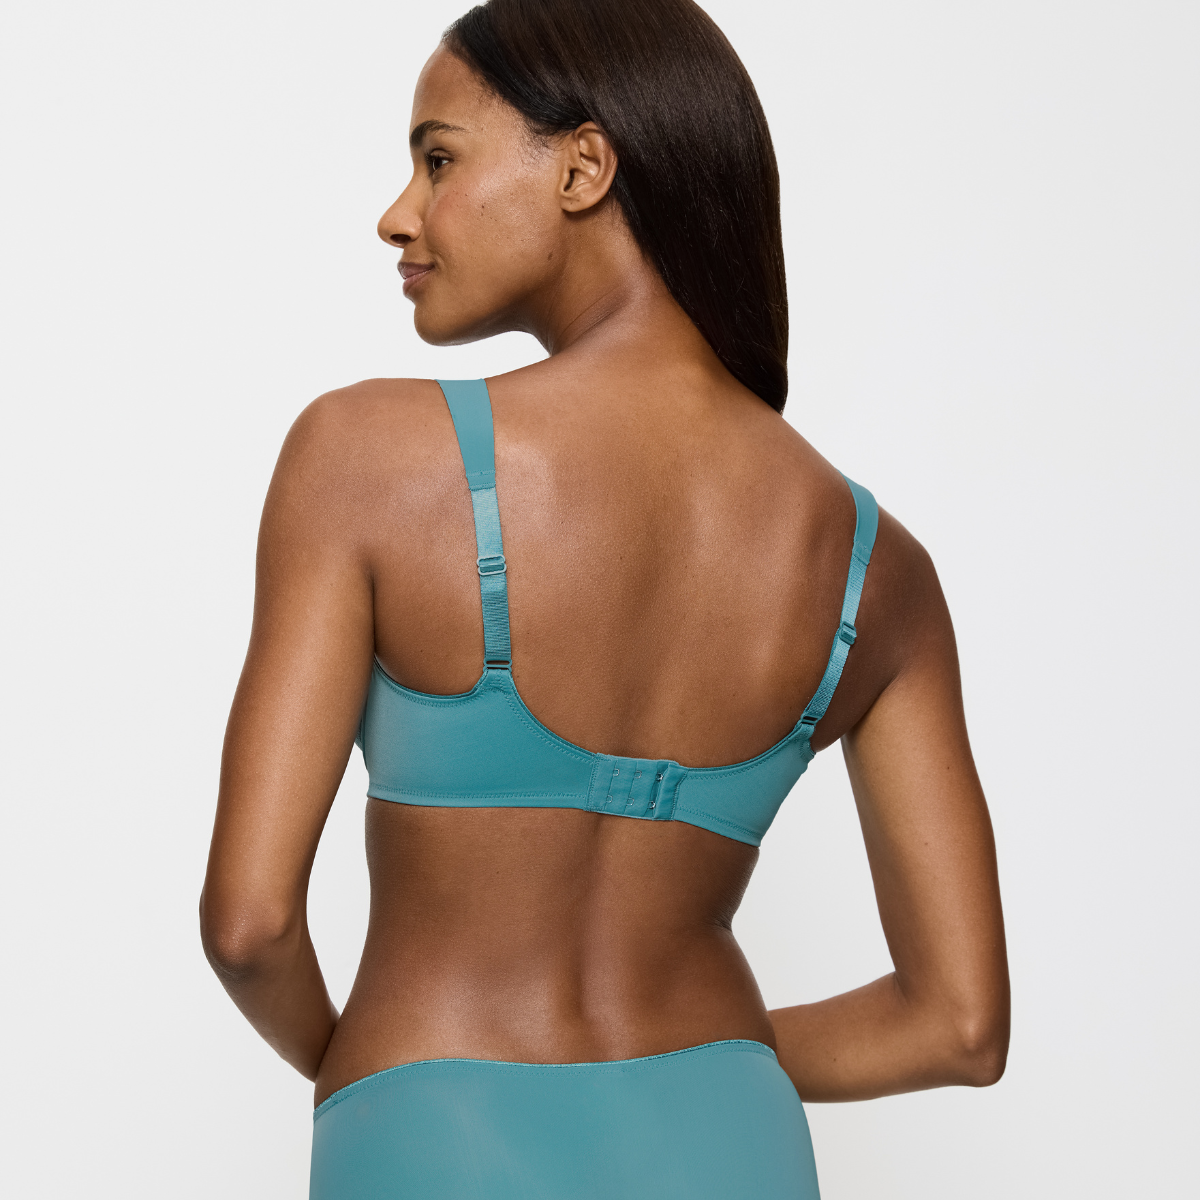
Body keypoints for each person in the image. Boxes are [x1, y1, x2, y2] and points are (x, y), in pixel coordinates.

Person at [200, 1, 1010, 1195]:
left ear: (584, 168)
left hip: (436, 1140)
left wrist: (377, 1074)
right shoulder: (877, 568)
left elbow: (249, 925)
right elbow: (961, 1023)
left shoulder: (365, 459)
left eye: (438, 159)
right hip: (730, 1144)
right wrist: (705, 1058)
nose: (400, 213)